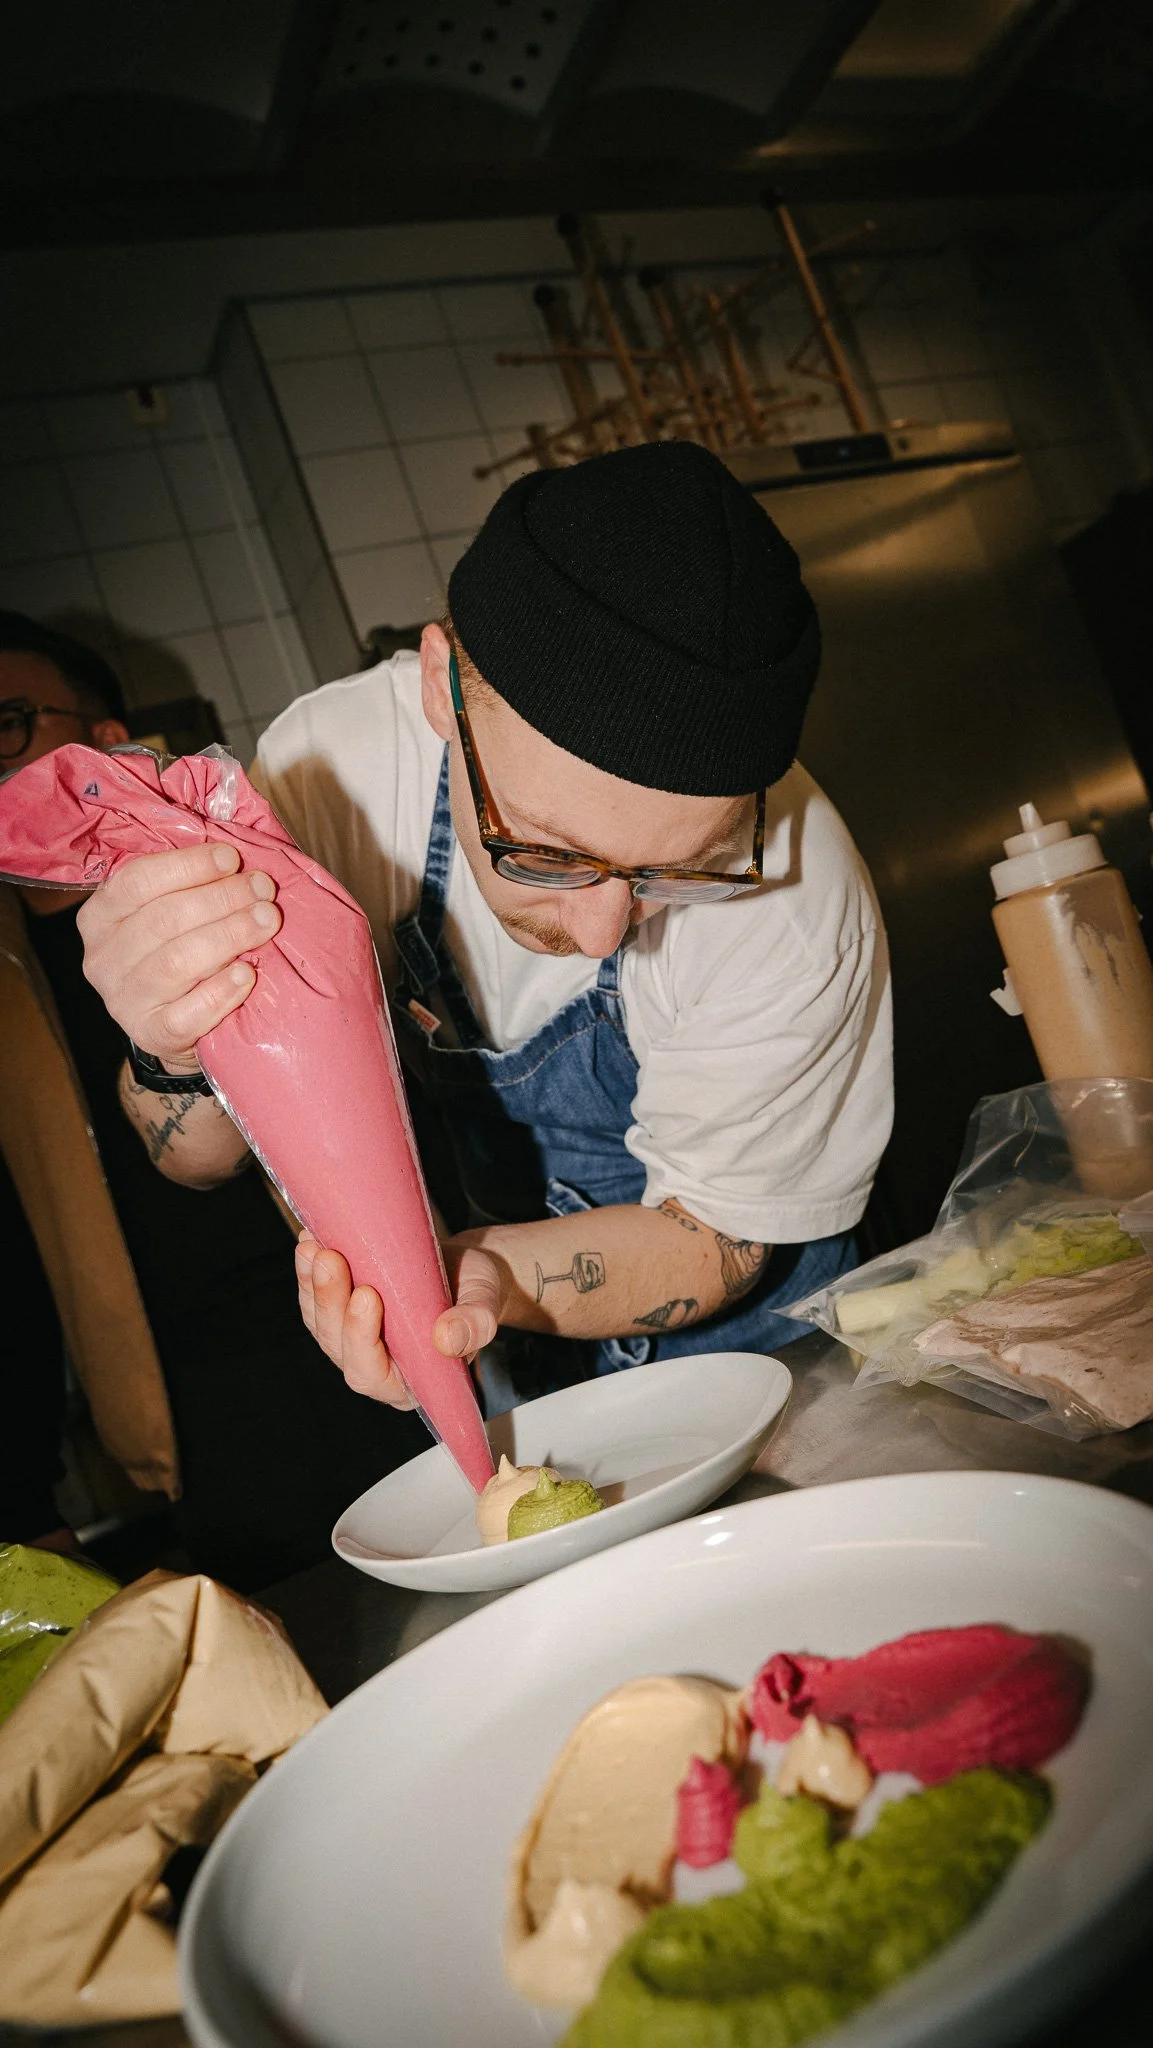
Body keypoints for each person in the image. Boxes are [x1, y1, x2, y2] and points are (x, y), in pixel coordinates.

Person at [76, 443, 893, 1417]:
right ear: (441, 685)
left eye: (680, 869)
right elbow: (198, 1158)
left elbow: (717, 1232)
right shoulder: (331, 782)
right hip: (525, 1365)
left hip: (776, 1363)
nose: (601, 931)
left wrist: (479, 1277)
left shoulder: (793, 897)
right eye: (544, 852)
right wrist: (171, 1043)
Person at [0, 612, 427, 1582]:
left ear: (110, 739)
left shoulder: (224, 864)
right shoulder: (5, 985)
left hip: (350, 1331)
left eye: (11, 720)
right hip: (193, 1422)